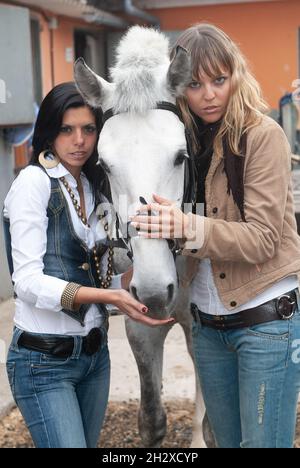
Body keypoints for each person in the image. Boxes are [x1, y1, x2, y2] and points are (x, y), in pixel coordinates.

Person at [130, 24, 300, 448]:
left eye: (219, 80)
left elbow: (262, 239)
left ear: (236, 76)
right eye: (195, 83)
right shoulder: (182, 141)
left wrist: (185, 226)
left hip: (266, 324)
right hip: (208, 328)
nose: (208, 94)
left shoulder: (263, 136)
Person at [3, 82, 173, 449]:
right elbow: (28, 282)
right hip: (43, 361)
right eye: (67, 129)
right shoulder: (33, 184)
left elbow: (91, 269)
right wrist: (110, 295)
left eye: (88, 129)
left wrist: (132, 282)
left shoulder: (95, 189)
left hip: (95, 360)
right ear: (49, 132)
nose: (79, 140)